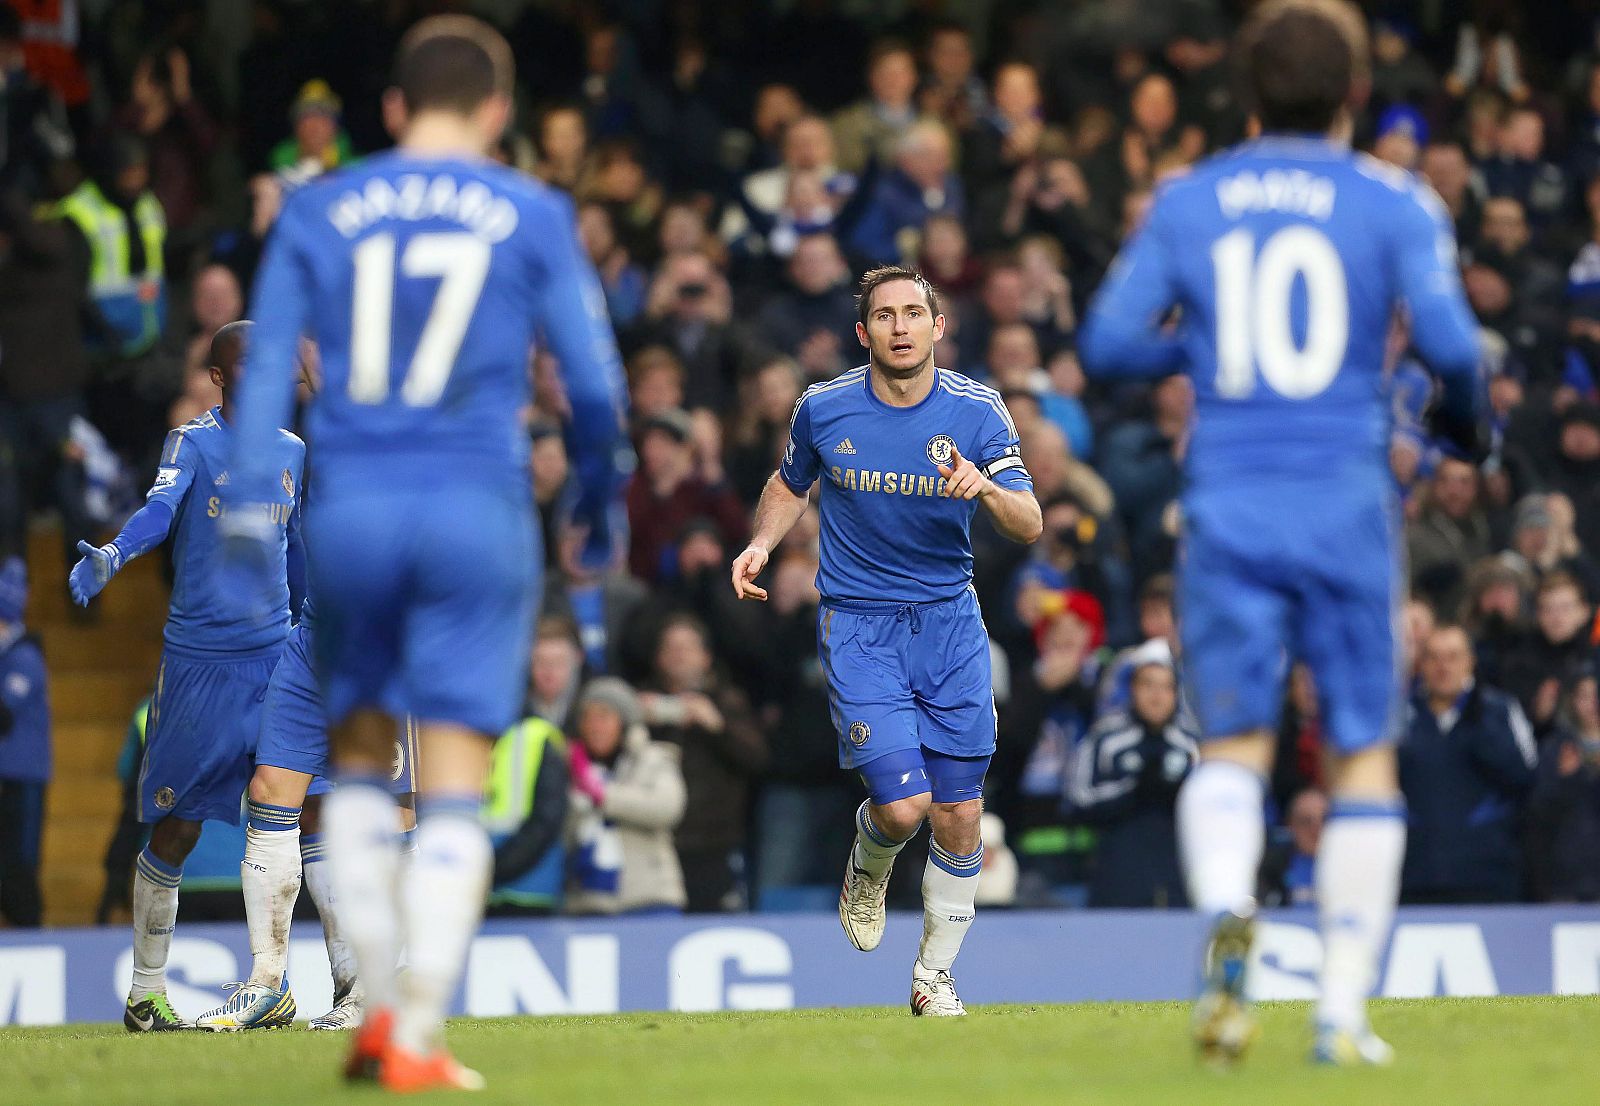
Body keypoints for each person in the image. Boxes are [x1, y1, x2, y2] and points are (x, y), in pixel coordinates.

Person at [223, 17, 628, 1092]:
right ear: (499, 114)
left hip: (349, 506)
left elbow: (264, 368)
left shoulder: (318, 206)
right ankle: (413, 1025)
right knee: (447, 778)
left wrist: (253, 502)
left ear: (391, 112)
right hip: (473, 506)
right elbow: (591, 386)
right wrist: (598, 487)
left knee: (353, 760)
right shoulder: (531, 209)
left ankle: (372, 1017)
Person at [1079, 0, 1483, 1068]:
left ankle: (1225, 907)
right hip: (1345, 503)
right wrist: (1466, 424)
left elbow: (1107, 342)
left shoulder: (1189, 200)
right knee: (1360, 757)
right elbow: (1450, 343)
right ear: (1353, 92)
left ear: (1246, 93)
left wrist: (1204, 359)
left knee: (1234, 744)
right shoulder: (1394, 201)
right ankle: (1341, 1014)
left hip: (1228, 501)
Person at [730, 264, 1041, 1015]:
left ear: (939, 327)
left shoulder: (977, 411)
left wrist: (987, 489)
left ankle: (934, 977)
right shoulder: (824, 407)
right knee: (905, 810)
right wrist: (764, 542)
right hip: (861, 626)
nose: (901, 327)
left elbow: (1029, 522)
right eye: (886, 315)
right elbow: (789, 480)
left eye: (914, 313)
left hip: (949, 626)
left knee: (961, 813)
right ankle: (868, 864)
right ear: (863, 332)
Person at [67, 321, 305, 1032]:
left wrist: (316, 626)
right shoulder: (194, 443)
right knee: (176, 832)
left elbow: (298, 547)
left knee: (290, 804)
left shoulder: (293, 450)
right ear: (220, 379)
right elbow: (162, 509)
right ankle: (145, 993)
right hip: (203, 665)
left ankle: (276, 982)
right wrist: (114, 553)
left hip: (275, 658)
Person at [192, 588, 418, 1033]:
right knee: (270, 789)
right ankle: (267, 985)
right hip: (311, 639)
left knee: (389, 805)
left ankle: (380, 983)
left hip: (378, 639)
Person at [1399, 625, 1538, 904]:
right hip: (1414, 876)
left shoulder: (1499, 710)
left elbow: (1525, 777)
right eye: (1434, 657)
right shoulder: (1400, 716)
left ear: (1470, 661)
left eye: (1453, 657)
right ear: (1421, 664)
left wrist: (1481, 726)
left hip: (1488, 877)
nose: (1443, 667)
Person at [0, 557, 48, 927]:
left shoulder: (25, 658)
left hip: (21, 778)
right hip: (11, 777)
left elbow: (4, 714)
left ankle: (30, 931)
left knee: (20, 863)